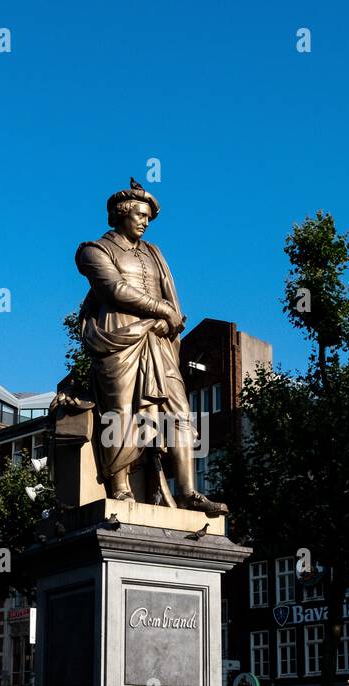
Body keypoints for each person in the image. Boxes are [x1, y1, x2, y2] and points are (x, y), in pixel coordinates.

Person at [70, 180, 227, 515]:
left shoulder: (155, 253)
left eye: (148, 218)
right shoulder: (93, 251)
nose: (144, 222)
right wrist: (162, 311)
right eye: (139, 215)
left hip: (158, 343)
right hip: (119, 341)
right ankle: (121, 489)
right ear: (119, 215)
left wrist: (170, 319)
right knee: (120, 415)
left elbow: (174, 305)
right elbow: (113, 289)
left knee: (180, 412)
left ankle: (187, 491)